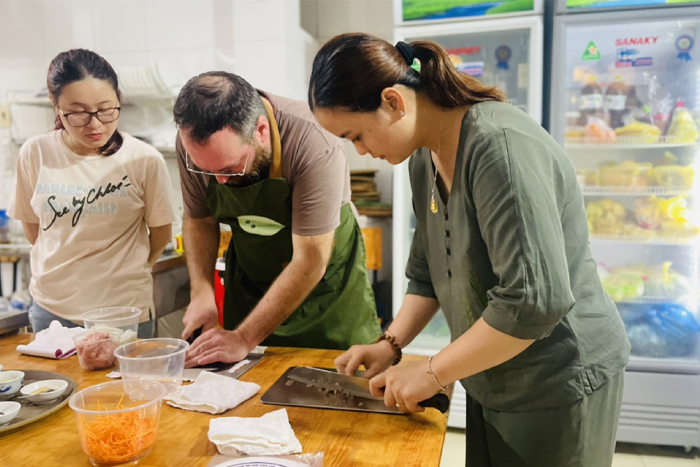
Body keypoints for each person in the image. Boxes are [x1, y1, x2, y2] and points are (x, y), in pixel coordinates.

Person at [308, 34, 631, 467]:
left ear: (393, 102)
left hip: (558, 375)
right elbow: (429, 270)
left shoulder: (498, 146)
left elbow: (533, 302)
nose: (361, 151)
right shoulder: (424, 158)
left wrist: (431, 371)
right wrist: (391, 343)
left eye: (357, 135)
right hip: (489, 368)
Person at [173, 72, 381, 368]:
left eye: (231, 168)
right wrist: (202, 291)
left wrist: (244, 338)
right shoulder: (194, 146)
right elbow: (199, 219)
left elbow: (310, 260)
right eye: (206, 172)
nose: (219, 181)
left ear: (260, 131)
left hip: (326, 297)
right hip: (250, 290)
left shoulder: (313, 140)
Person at [9, 49, 175, 338]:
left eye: (106, 109)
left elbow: (161, 235)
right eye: (78, 113)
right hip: (51, 310)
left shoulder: (144, 159)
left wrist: (126, 271)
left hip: (123, 312)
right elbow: (33, 230)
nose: (95, 124)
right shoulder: (35, 153)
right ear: (55, 104)